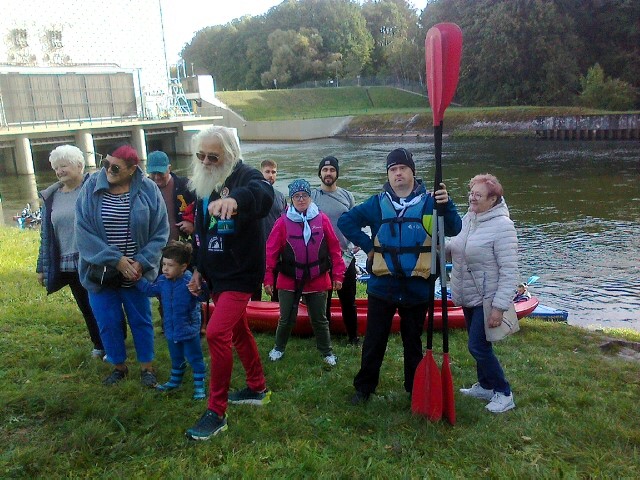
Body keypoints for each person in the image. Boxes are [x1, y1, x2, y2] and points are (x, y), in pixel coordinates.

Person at [337, 148, 462, 405]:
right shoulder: (377, 204)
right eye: (393, 170)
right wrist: (369, 246)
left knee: (412, 341)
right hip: (383, 286)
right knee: (374, 340)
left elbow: (454, 227)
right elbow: (346, 221)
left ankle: (414, 388)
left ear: (412, 172)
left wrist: (446, 204)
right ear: (388, 175)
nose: (398, 174)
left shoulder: (430, 202)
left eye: (402, 168)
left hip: (418, 286)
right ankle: (364, 388)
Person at [185, 126, 274, 441]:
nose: (206, 162)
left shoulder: (246, 176)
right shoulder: (203, 182)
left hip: (240, 273)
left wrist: (236, 200)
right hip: (216, 274)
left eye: (213, 157)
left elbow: (263, 194)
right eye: (201, 156)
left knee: (216, 333)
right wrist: (198, 268)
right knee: (238, 330)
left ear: (231, 154)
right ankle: (257, 387)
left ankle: (216, 412)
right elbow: (202, 233)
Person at [76, 143, 169, 387]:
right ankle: (118, 367)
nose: (108, 170)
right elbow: (83, 232)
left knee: (141, 320)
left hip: (136, 273)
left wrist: (141, 262)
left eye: (115, 167)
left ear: (132, 169)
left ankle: (147, 368)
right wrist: (115, 260)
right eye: (105, 164)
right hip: (101, 273)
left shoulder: (148, 189)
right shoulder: (90, 188)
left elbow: (161, 231)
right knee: (107, 321)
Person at [447, 173, 518, 413]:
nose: (472, 198)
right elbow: (456, 247)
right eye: (471, 193)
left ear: (493, 199)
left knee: (477, 346)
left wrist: (499, 307)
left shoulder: (503, 226)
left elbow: (509, 270)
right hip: (467, 293)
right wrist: (436, 243)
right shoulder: (469, 218)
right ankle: (486, 386)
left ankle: (504, 393)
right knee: (479, 344)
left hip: (487, 298)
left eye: (478, 195)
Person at [264, 178, 345, 366]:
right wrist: (268, 278)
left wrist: (338, 274)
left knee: (319, 319)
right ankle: (278, 348)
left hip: (317, 278)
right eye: (297, 196)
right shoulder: (282, 222)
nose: (301, 199)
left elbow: (334, 248)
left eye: (304, 195)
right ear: (291, 199)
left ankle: (326, 351)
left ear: (310, 197)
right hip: (289, 278)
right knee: (286, 319)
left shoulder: (322, 219)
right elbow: (271, 251)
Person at [36, 145, 104, 358]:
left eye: (64, 166)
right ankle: (99, 344)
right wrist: (41, 267)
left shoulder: (93, 189)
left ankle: (115, 341)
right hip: (67, 261)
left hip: (93, 258)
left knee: (103, 303)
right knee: (85, 305)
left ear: (79, 165)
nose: (59, 171)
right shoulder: (52, 196)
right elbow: (46, 234)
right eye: (56, 167)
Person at [136, 241, 208, 400]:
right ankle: (175, 380)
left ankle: (199, 385)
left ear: (183, 267)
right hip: (171, 329)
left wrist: (200, 289)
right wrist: (138, 279)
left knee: (195, 358)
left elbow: (202, 297)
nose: (165, 269)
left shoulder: (190, 281)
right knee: (176, 357)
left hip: (189, 329)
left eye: (170, 265)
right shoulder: (162, 281)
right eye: (164, 264)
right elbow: (150, 290)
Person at [311, 155, 359, 345]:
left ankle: (353, 337)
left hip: (344, 256)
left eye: (332, 170)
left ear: (337, 173)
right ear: (320, 173)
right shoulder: (312, 196)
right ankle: (325, 339)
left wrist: (356, 241)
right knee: (323, 301)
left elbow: (355, 222)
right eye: (325, 170)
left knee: (348, 300)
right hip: (320, 257)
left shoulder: (347, 196)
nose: (328, 173)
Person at [251, 159, 287, 301]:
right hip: (256, 248)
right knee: (255, 289)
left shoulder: (280, 196)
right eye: (267, 172)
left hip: (276, 250)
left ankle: (277, 312)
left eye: (273, 172)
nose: (270, 175)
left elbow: (285, 222)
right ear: (260, 173)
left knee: (276, 289)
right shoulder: (252, 194)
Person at [146, 150, 196, 242]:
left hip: (181, 244)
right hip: (154, 245)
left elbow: (201, 207)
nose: (157, 177)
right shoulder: (143, 189)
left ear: (169, 168)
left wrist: (192, 222)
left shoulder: (185, 185)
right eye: (153, 173)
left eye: (160, 173)